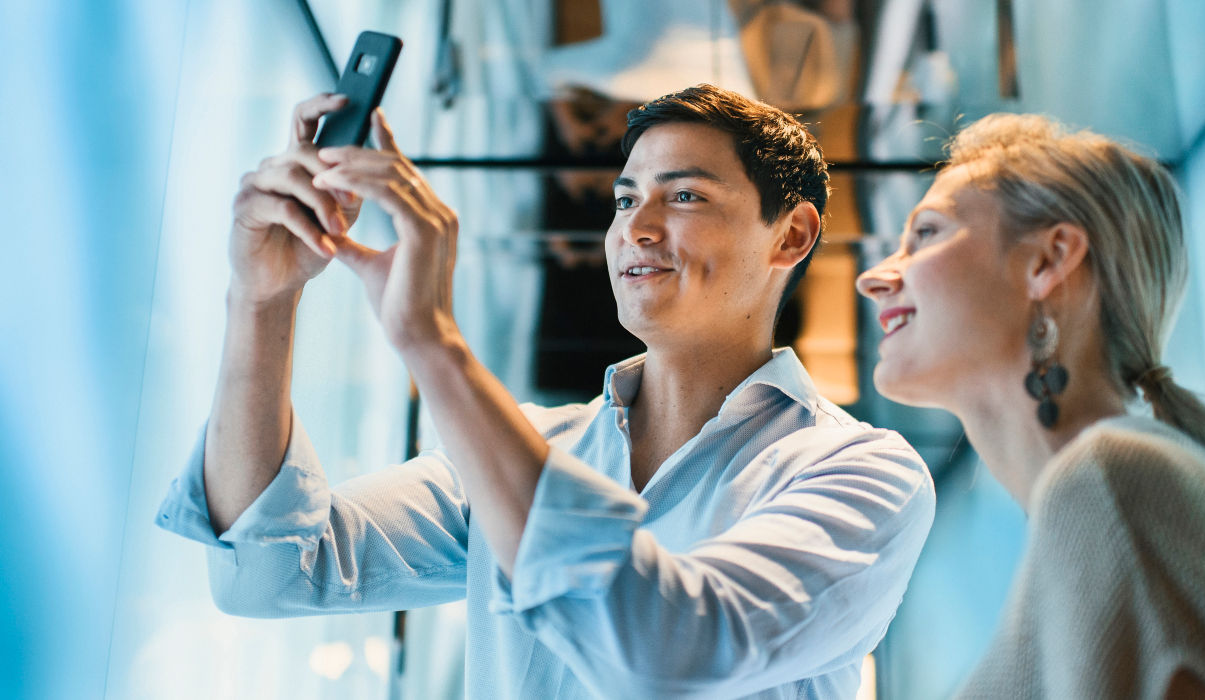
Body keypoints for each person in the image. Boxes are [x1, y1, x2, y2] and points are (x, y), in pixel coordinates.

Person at [157, 84, 936, 699]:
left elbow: (666, 653)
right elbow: (268, 573)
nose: (636, 227)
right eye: (625, 199)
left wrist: (433, 343)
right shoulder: (527, 450)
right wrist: (261, 301)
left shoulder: (862, 471)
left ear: (792, 235)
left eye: (685, 196)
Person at [855, 113, 1205, 699]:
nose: (874, 278)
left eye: (926, 234)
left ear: (1049, 261)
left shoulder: (1109, 478)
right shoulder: (1112, 484)